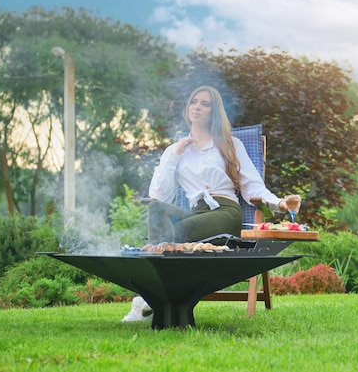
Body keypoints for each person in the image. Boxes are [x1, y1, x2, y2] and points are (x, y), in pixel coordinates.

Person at [122, 85, 301, 322]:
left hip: (225, 211)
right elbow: (159, 195)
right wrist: (175, 154)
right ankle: (155, 297)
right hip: (197, 212)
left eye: (205, 104)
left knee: (177, 232)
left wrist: (280, 203)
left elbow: (253, 187)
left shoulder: (230, 145)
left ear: (213, 112)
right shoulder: (175, 150)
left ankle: (149, 299)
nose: (197, 107)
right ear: (188, 107)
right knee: (156, 210)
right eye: (194, 101)